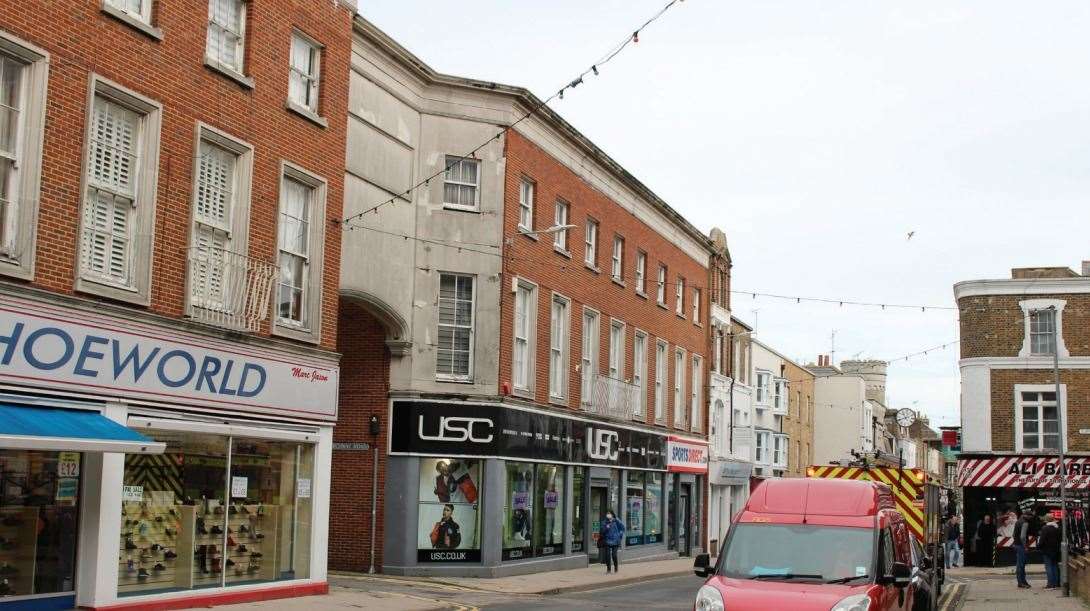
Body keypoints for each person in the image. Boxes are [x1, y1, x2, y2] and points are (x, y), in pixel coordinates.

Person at [1039, 515, 1061, 589]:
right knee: (1054, 566)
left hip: (1047, 550)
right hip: (1056, 550)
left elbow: (1042, 540)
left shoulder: (1045, 528)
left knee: (1048, 566)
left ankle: (1050, 584)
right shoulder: (1057, 528)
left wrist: (1039, 547)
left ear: (1046, 520)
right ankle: (1056, 583)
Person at [1012, 508, 1031, 589]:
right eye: (1030, 516)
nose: (1031, 518)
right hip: (1021, 546)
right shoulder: (1025, 523)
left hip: (1016, 545)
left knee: (1019, 564)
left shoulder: (1018, 521)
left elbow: (1013, 534)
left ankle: (1022, 581)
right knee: (1021, 565)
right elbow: (1023, 536)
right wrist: (1025, 546)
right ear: (1027, 515)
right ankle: (1021, 582)